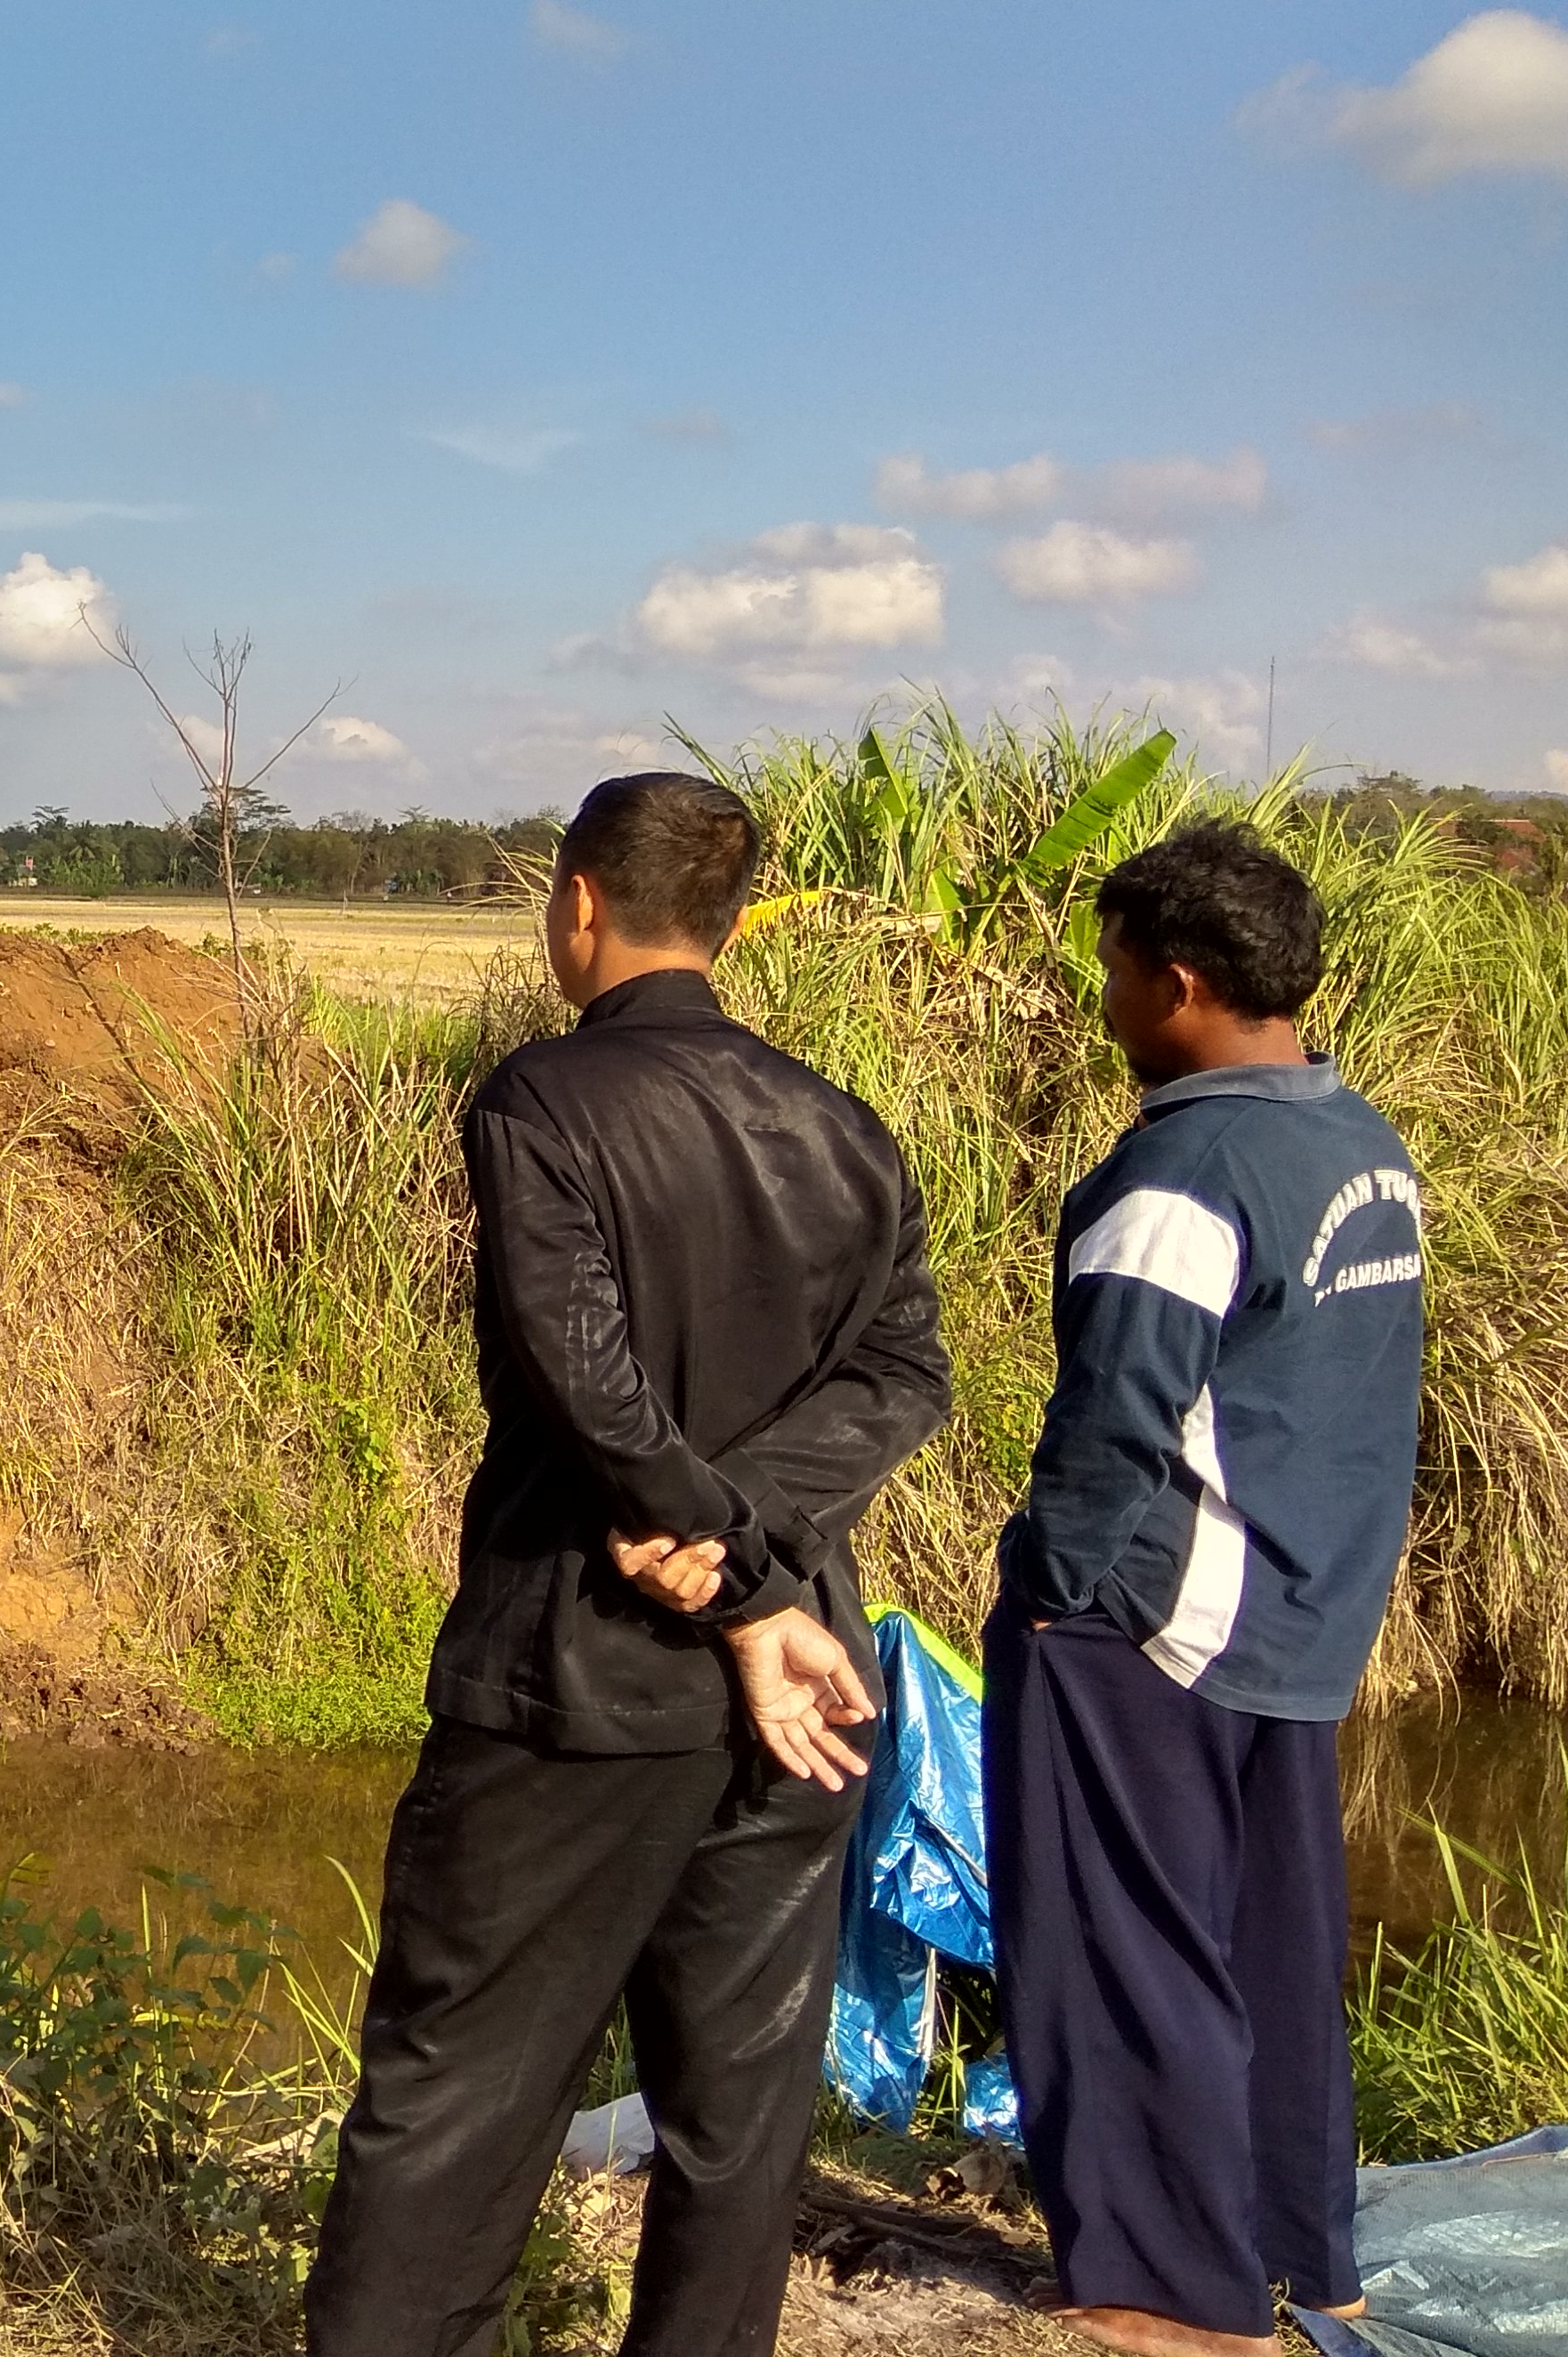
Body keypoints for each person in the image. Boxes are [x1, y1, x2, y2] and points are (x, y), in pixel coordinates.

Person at [305, 772, 952, 2357]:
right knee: (739, 2122)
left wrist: (706, 1548)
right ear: (724, 925)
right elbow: (904, 1374)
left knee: (457, 2094)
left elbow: (582, 1382)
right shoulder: (845, 1131)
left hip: (578, 1687)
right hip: (806, 1688)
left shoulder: (543, 1104)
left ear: (580, 904)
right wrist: (757, 1547)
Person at [986, 823, 1423, 2357]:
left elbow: (1112, 1416)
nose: (1103, 998)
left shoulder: (1183, 1167)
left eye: (1114, 970)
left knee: (1124, 1944)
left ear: (1177, 983)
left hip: (1153, 1621)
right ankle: (1309, 2254)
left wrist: (1047, 1586)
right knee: (1275, 1946)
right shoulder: (1359, 1141)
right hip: (1297, 1619)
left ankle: (1173, 2292)